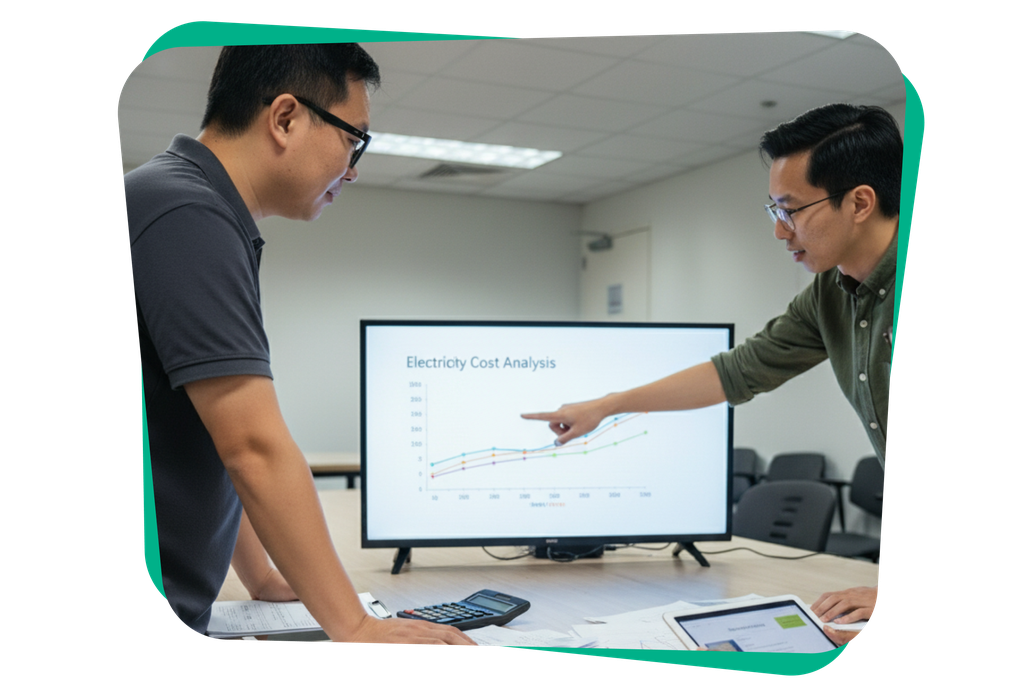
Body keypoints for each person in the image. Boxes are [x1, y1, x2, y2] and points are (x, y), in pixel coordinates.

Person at [130, 44, 474, 645]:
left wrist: (261, 575)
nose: (354, 167)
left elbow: (205, 430)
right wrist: (358, 626)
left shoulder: (183, 203)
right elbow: (253, 447)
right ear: (285, 118)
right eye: (353, 139)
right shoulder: (188, 212)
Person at [523, 103, 897, 646]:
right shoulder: (829, 295)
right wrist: (607, 404)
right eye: (773, 207)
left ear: (860, 202)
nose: (778, 230)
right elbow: (737, 372)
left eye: (791, 209)